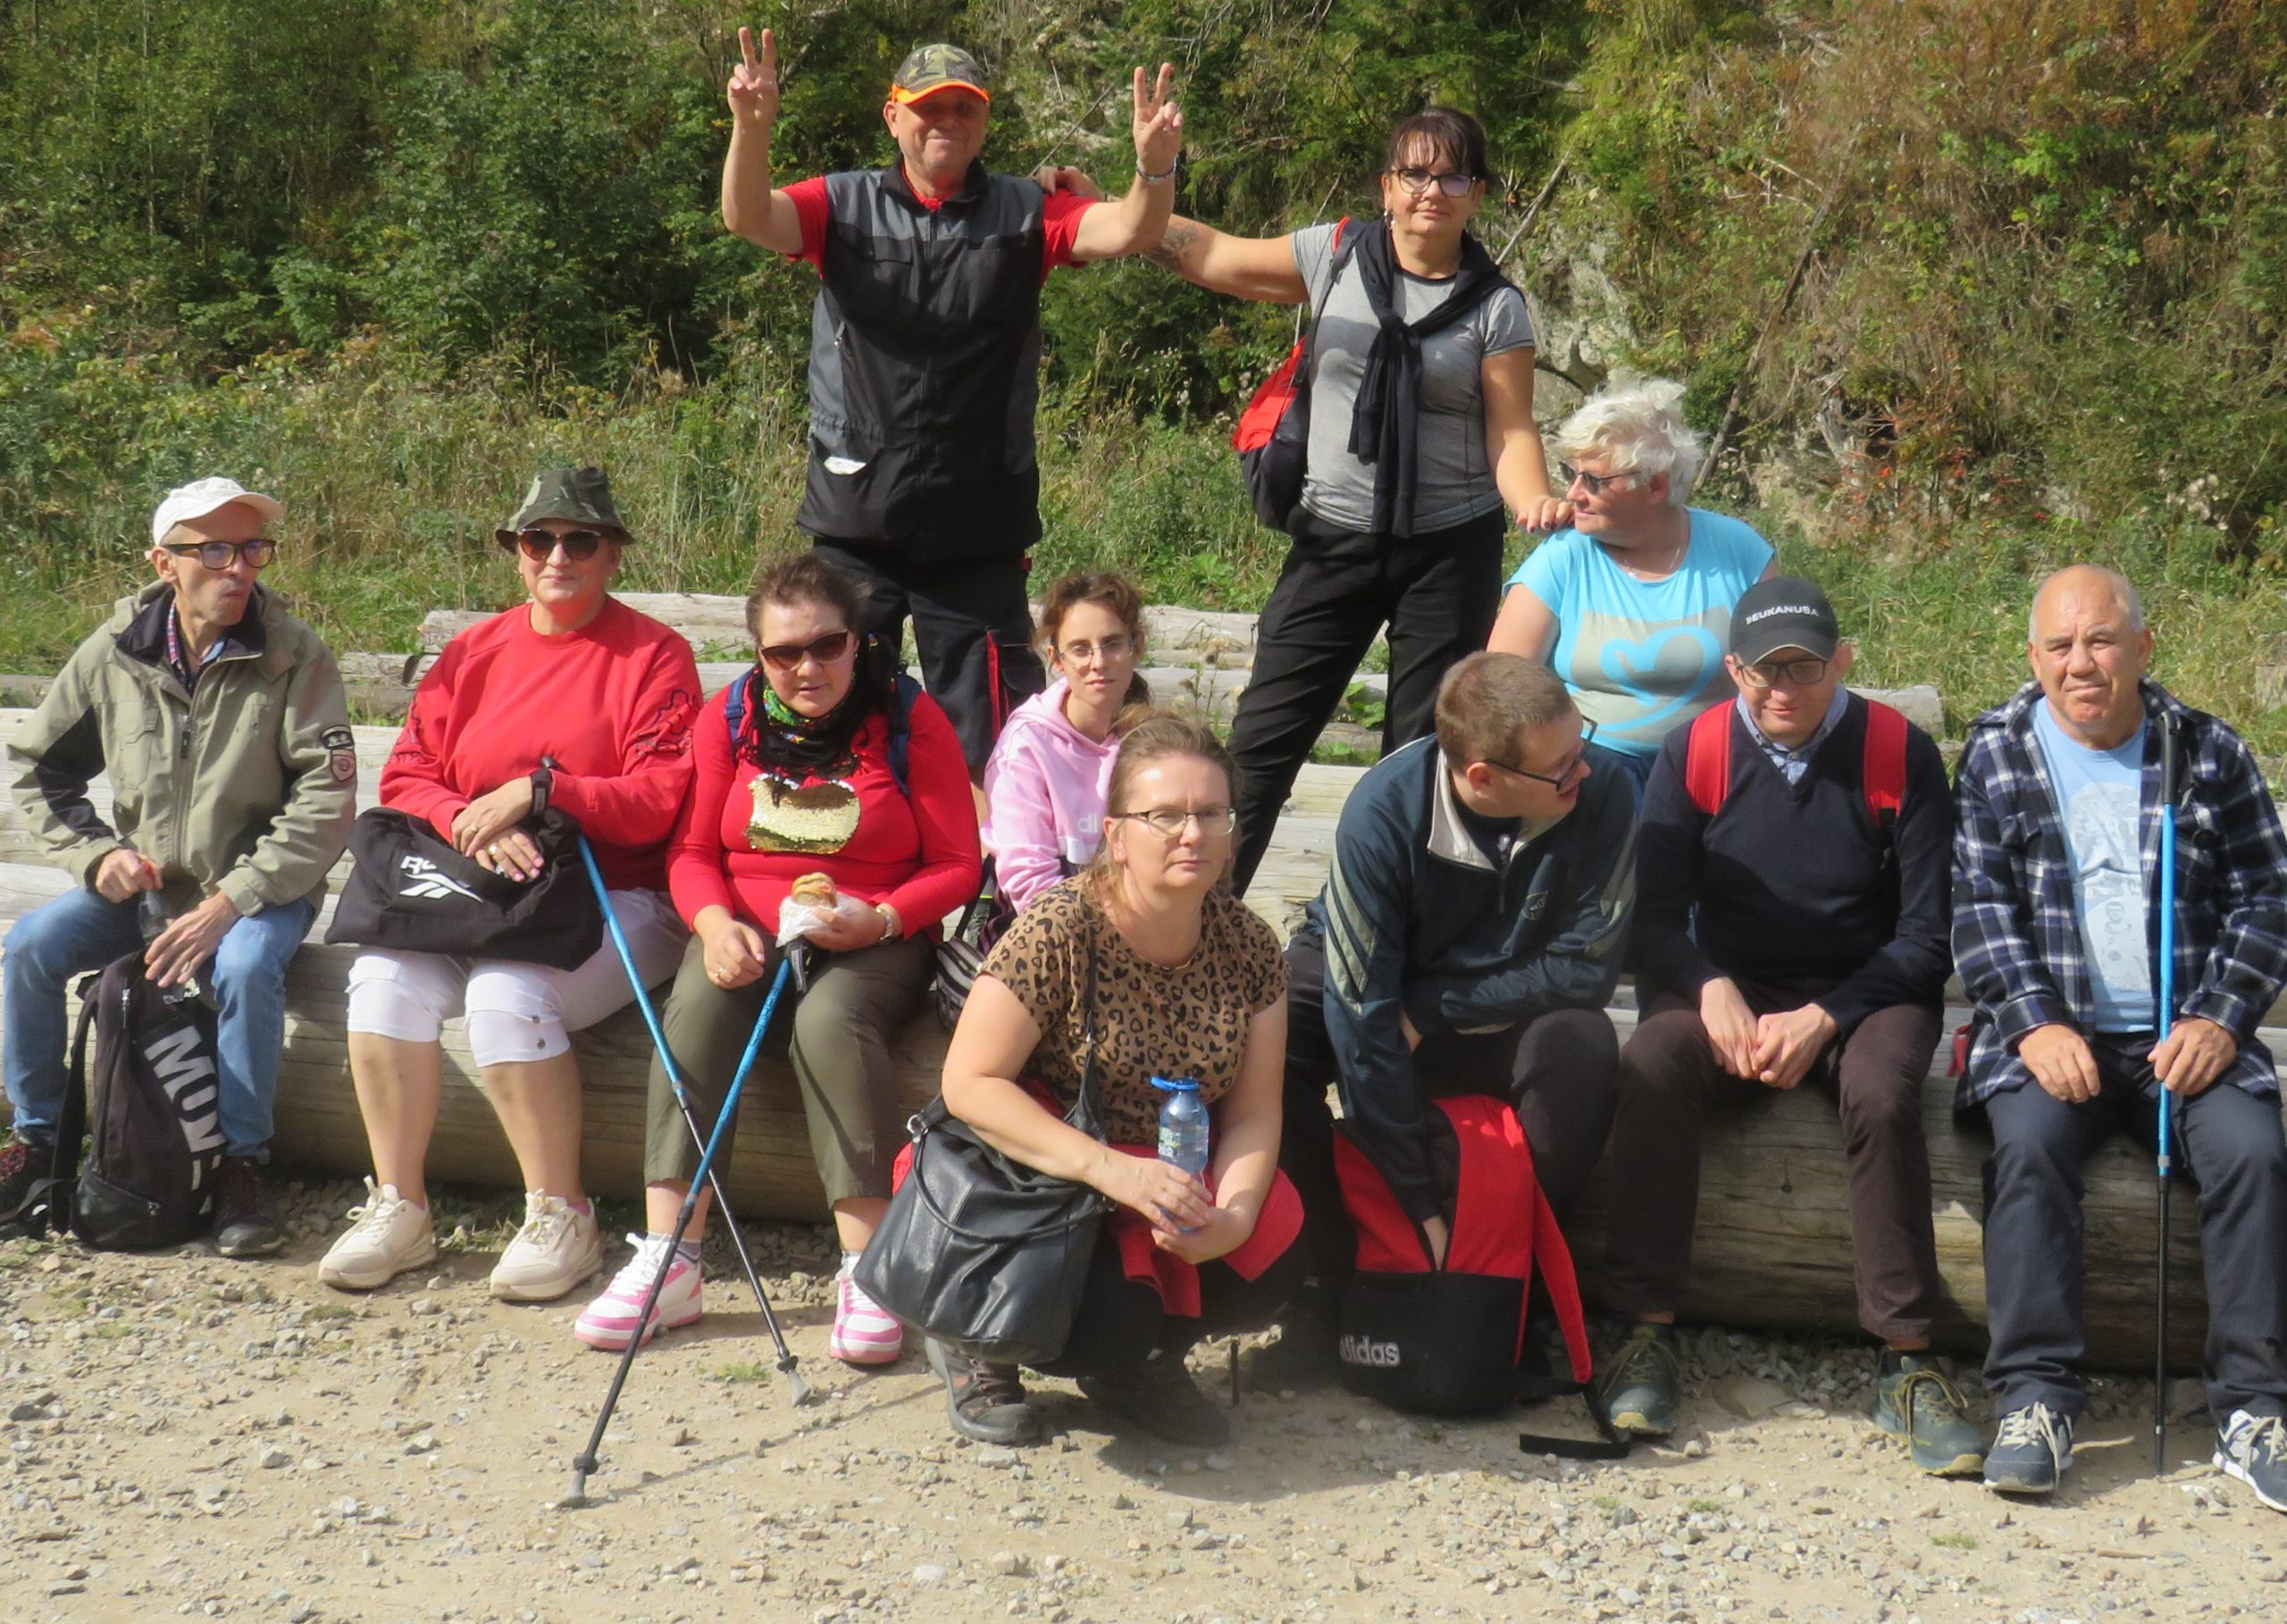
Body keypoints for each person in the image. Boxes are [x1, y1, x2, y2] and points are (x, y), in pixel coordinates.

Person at [1596, 575, 1981, 1473]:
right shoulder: (1695, 748)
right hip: (1734, 984)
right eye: (1762, 670)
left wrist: (1826, 1017)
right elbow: (1652, 922)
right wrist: (1707, 988)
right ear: (1733, 670)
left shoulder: (1897, 752)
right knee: (1652, 1062)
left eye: (1803, 668)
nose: (1781, 689)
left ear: (1841, 663)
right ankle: (1644, 1332)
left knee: (1881, 1095)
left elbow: (1928, 938)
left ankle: (1908, 1360)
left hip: (1868, 988)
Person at [718, 28, 1183, 774]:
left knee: (989, 743)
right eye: (929, 108)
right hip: (856, 521)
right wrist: (751, 127)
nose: (947, 122)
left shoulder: (1027, 211)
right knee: (833, 723)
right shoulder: (841, 204)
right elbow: (747, 216)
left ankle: (988, 850)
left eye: (964, 108)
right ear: (893, 117)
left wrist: (1152, 168)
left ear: (985, 121)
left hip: (979, 529)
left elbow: (1130, 228)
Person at [1132, 107, 1565, 893]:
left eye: (1453, 177)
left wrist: (1534, 500)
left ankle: (1384, 929)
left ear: (1477, 195)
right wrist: (1140, 185)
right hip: (1332, 540)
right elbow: (1210, 255)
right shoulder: (1333, 255)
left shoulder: (1497, 307)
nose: (1432, 191)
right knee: (1260, 746)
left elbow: (1511, 430)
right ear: (1386, 187)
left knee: (1419, 762)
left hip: (1448, 550)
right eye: (1415, 174)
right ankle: (1206, 921)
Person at [317, 469, 700, 1307]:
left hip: (615, 895)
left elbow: (660, 799)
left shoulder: (654, 656)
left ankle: (561, 1213)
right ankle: (400, 1205)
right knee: (379, 982)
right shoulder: (474, 652)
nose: (558, 556)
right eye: (538, 540)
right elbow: (409, 773)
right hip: (476, 892)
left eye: (580, 540)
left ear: (612, 555)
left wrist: (542, 791)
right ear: (517, 554)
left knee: (506, 995)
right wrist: (467, 821)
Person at [586, 554, 979, 1355]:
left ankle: (868, 1266)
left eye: (827, 646)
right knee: (696, 1007)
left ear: (857, 640)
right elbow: (692, 851)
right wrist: (711, 925)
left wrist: (881, 920)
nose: (808, 668)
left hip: (874, 931)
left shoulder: (909, 717)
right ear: (759, 655)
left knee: (830, 1023)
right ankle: (671, 1257)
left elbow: (957, 865)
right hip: (747, 925)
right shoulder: (729, 716)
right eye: (784, 653)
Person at [1956, 564, 2287, 1511]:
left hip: (2184, 1035)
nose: (2081, 663)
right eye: (2060, 646)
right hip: (2052, 1035)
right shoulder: (1996, 753)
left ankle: (2252, 1408)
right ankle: (2034, 1398)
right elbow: (1978, 907)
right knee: (2025, 1151)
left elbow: (2268, 898)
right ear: (2033, 657)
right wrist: (2031, 1023)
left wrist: (2220, 1017)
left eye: (2101, 641)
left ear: (2141, 648)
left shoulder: (2206, 752)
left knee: (2254, 1155)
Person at [1, 477, 355, 1254]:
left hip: (262, 890)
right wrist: (97, 856)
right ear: (165, 563)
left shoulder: (292, 654)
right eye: (216, 552)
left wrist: (234, 900)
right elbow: (37, 769)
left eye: (253, 550)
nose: (240, 569)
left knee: (246, 967)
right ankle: (39, 1144)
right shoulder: (115, 653)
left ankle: (239, 1167)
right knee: (27, 947)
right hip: (151, 889)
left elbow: (326, 803)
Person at [1261, 651, 1635, 1383]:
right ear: (1482, 777)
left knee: (1583, 1045)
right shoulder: (1383, 812)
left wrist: (1432, 1009)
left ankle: (1506, 1287)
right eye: (1560, 768)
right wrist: (1415, 1199)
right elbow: (1363, 1015)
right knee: (1271, 1037)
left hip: (1484, 999)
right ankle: (1325, 1278)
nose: (1583, 771)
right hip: (1377, 983)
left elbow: (1588, 970)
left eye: (1580, 746)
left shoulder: (1608, 789)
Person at [934, 714, 1300, 1448]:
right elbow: (968, 1084)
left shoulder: (1249, 943)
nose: (1192, 834)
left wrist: (1234, 1218)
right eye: (1164, 816)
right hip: (1045, 1172)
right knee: (1099, 1326)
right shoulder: (1060, 927)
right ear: (1117, 835)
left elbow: (1256, 1113)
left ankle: (1144, 1364)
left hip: (1168, 1163)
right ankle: (977, 1337)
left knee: (1277, 1248)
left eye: (1211, 814)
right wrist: (1113, 1173)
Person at [1487, 379, 1777, 795]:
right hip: (1589, 770)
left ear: (1655, 486)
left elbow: (1780, 670)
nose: (1573, 494)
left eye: (1594, 481)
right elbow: (1501, 682)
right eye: (1571, 474)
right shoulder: (1563, 556)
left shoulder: (1738, 551)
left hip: (1718, 766)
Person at [980, 572, 1151, 915]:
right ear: (1056, 659)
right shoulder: (1025, 748)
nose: (1098, 663)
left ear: (1136, 648)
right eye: (1080, 649)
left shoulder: (1155, 738)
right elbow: (1031, 884)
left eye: (1112, 644)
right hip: (1049, 924)